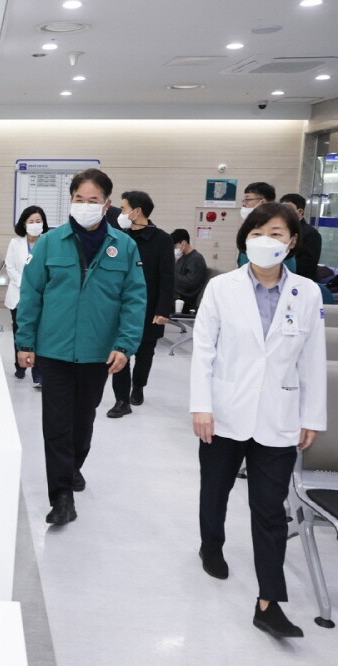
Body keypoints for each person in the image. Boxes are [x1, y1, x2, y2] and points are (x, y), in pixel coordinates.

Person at [191, 202, 326, 639]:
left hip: (278, 415)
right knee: (215, 489)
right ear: (246, 238)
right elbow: (203, 351)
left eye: (277, 233)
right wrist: (201, 406)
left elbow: (312, 358)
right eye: (258, 232)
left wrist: (312, 416)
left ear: (292, 242)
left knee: (269, 510)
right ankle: (211, 545)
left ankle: (269, 603)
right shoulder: (221, 288)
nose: (267, 240)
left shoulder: (306, 292)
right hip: (224, 410)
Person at [16, 168, 147, 526]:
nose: (85, 204)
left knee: (83, 418)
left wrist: (125, 345)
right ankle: (61, 496)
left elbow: (134, 299)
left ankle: (73, 466)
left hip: (97, 351)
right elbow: (32, 293)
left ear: (106, 205)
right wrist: (25, 341)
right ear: (70, 200)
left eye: (93, 199)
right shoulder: (50, 242)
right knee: (56, 423)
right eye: (79, 198)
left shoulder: (124, 247)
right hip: (54, 349)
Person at [107, 191, 175, 417]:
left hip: (149, 307)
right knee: (120, 351)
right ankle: (121, 400)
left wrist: (163, 309)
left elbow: (167, 277)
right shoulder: (119, 237)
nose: (120, 213)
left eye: (124, 208)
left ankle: (138, 386)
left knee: (145, 353)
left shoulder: (162, 239)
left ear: (137, 211)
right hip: (121, 306)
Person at [4, 205, 50, 387]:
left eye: (38, 221)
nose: (35, 224)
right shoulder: (15, 243)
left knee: (38, 334)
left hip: (41, 296)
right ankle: (20, 366)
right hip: (18, 294)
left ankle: (38, 373)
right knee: (19, 331)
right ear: (24, 223)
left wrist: (36, 286)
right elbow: (10, 267)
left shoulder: (48, 242)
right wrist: (25, 284)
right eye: (31, 221)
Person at [280, 192, 322, 281]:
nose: (284, 213)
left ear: (300, 212)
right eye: (281, 209)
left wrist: (279, 264)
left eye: (288, 209)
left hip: (301, 280)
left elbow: (308, 264)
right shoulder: (280, 230)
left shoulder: (311, 233)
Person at [171, 228, 208, 313]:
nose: (174, 249)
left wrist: (171, 274)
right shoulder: (182, 258)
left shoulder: (196, 259)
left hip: (185, 301)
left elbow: (190, 283)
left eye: (175, 246)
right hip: (177, 296)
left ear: (183, 243)